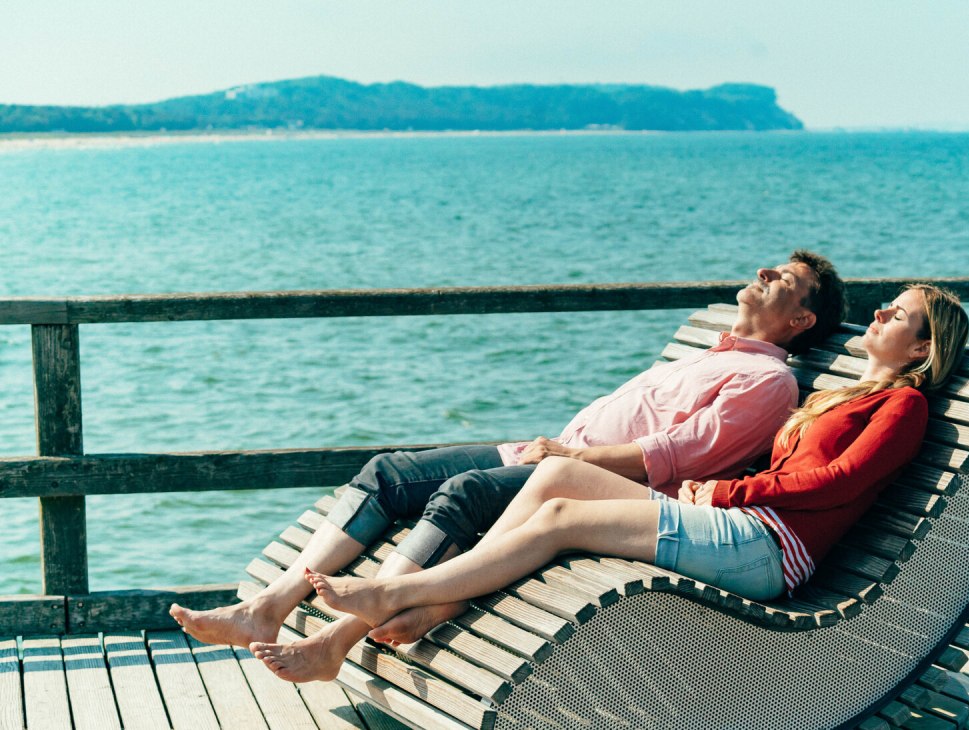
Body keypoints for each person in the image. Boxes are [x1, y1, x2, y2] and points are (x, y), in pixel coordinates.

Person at [251, 284, 969, 682]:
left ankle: (398, 597)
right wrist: (722, 490)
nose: (877, 314)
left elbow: (835, 480)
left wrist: (721, 492)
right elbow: (787, 471)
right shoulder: (835, 394)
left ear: (923, 347)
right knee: (562, 475)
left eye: (895, 313)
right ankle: (427, 609)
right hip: (740, 526)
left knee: (563, 516)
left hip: (767, 551)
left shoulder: (902, 405)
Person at [170, 251, 846, 666]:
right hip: (545, 450)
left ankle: (339, 638)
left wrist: (576, 457)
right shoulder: (717, 351)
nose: (761, 273)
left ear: (801, 321)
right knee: (388, 473)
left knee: (461, 494)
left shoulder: (769, 381)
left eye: (781, 278)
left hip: (586, 477)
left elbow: (675, 457)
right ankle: (272, 605)